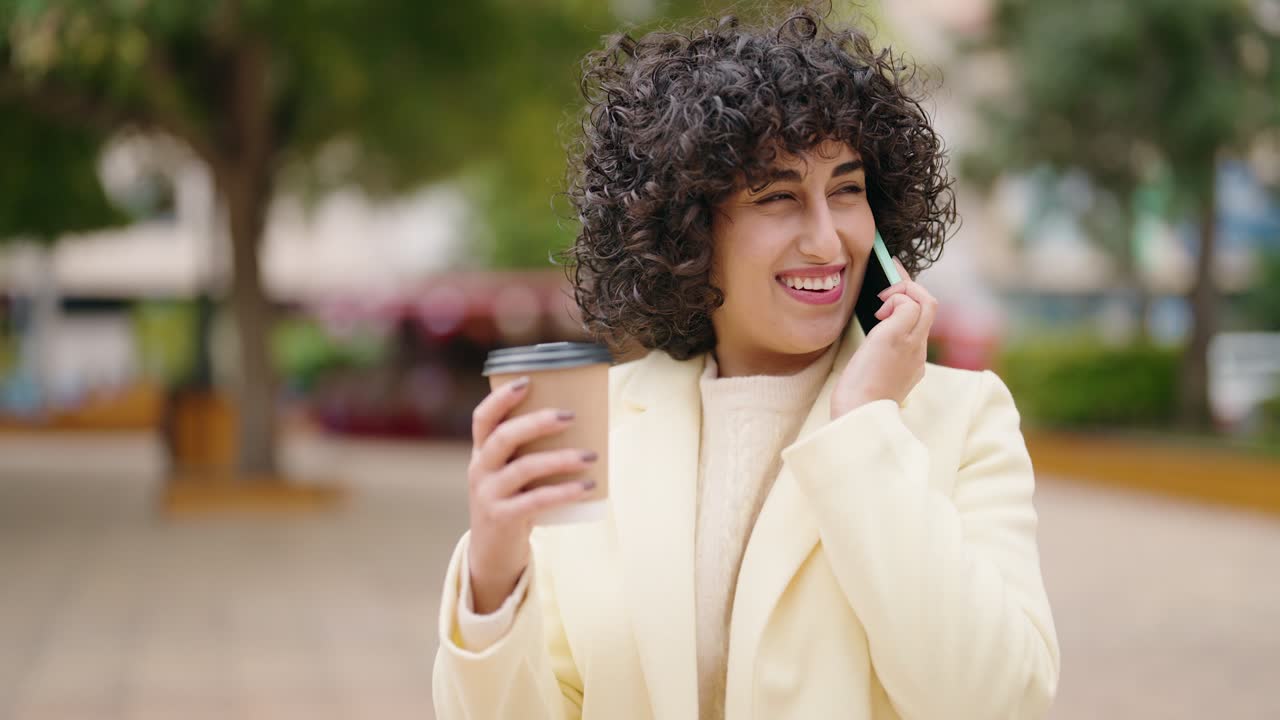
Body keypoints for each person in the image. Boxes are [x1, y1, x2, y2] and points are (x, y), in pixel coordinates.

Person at [432, 8, 1060, 719]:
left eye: (847, 191)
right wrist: (493, 576)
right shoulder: (594, 421)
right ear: (689, 227)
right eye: (779, 198)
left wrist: (864, 427)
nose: (827, 241)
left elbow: (997, 701)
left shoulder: (961, 419)